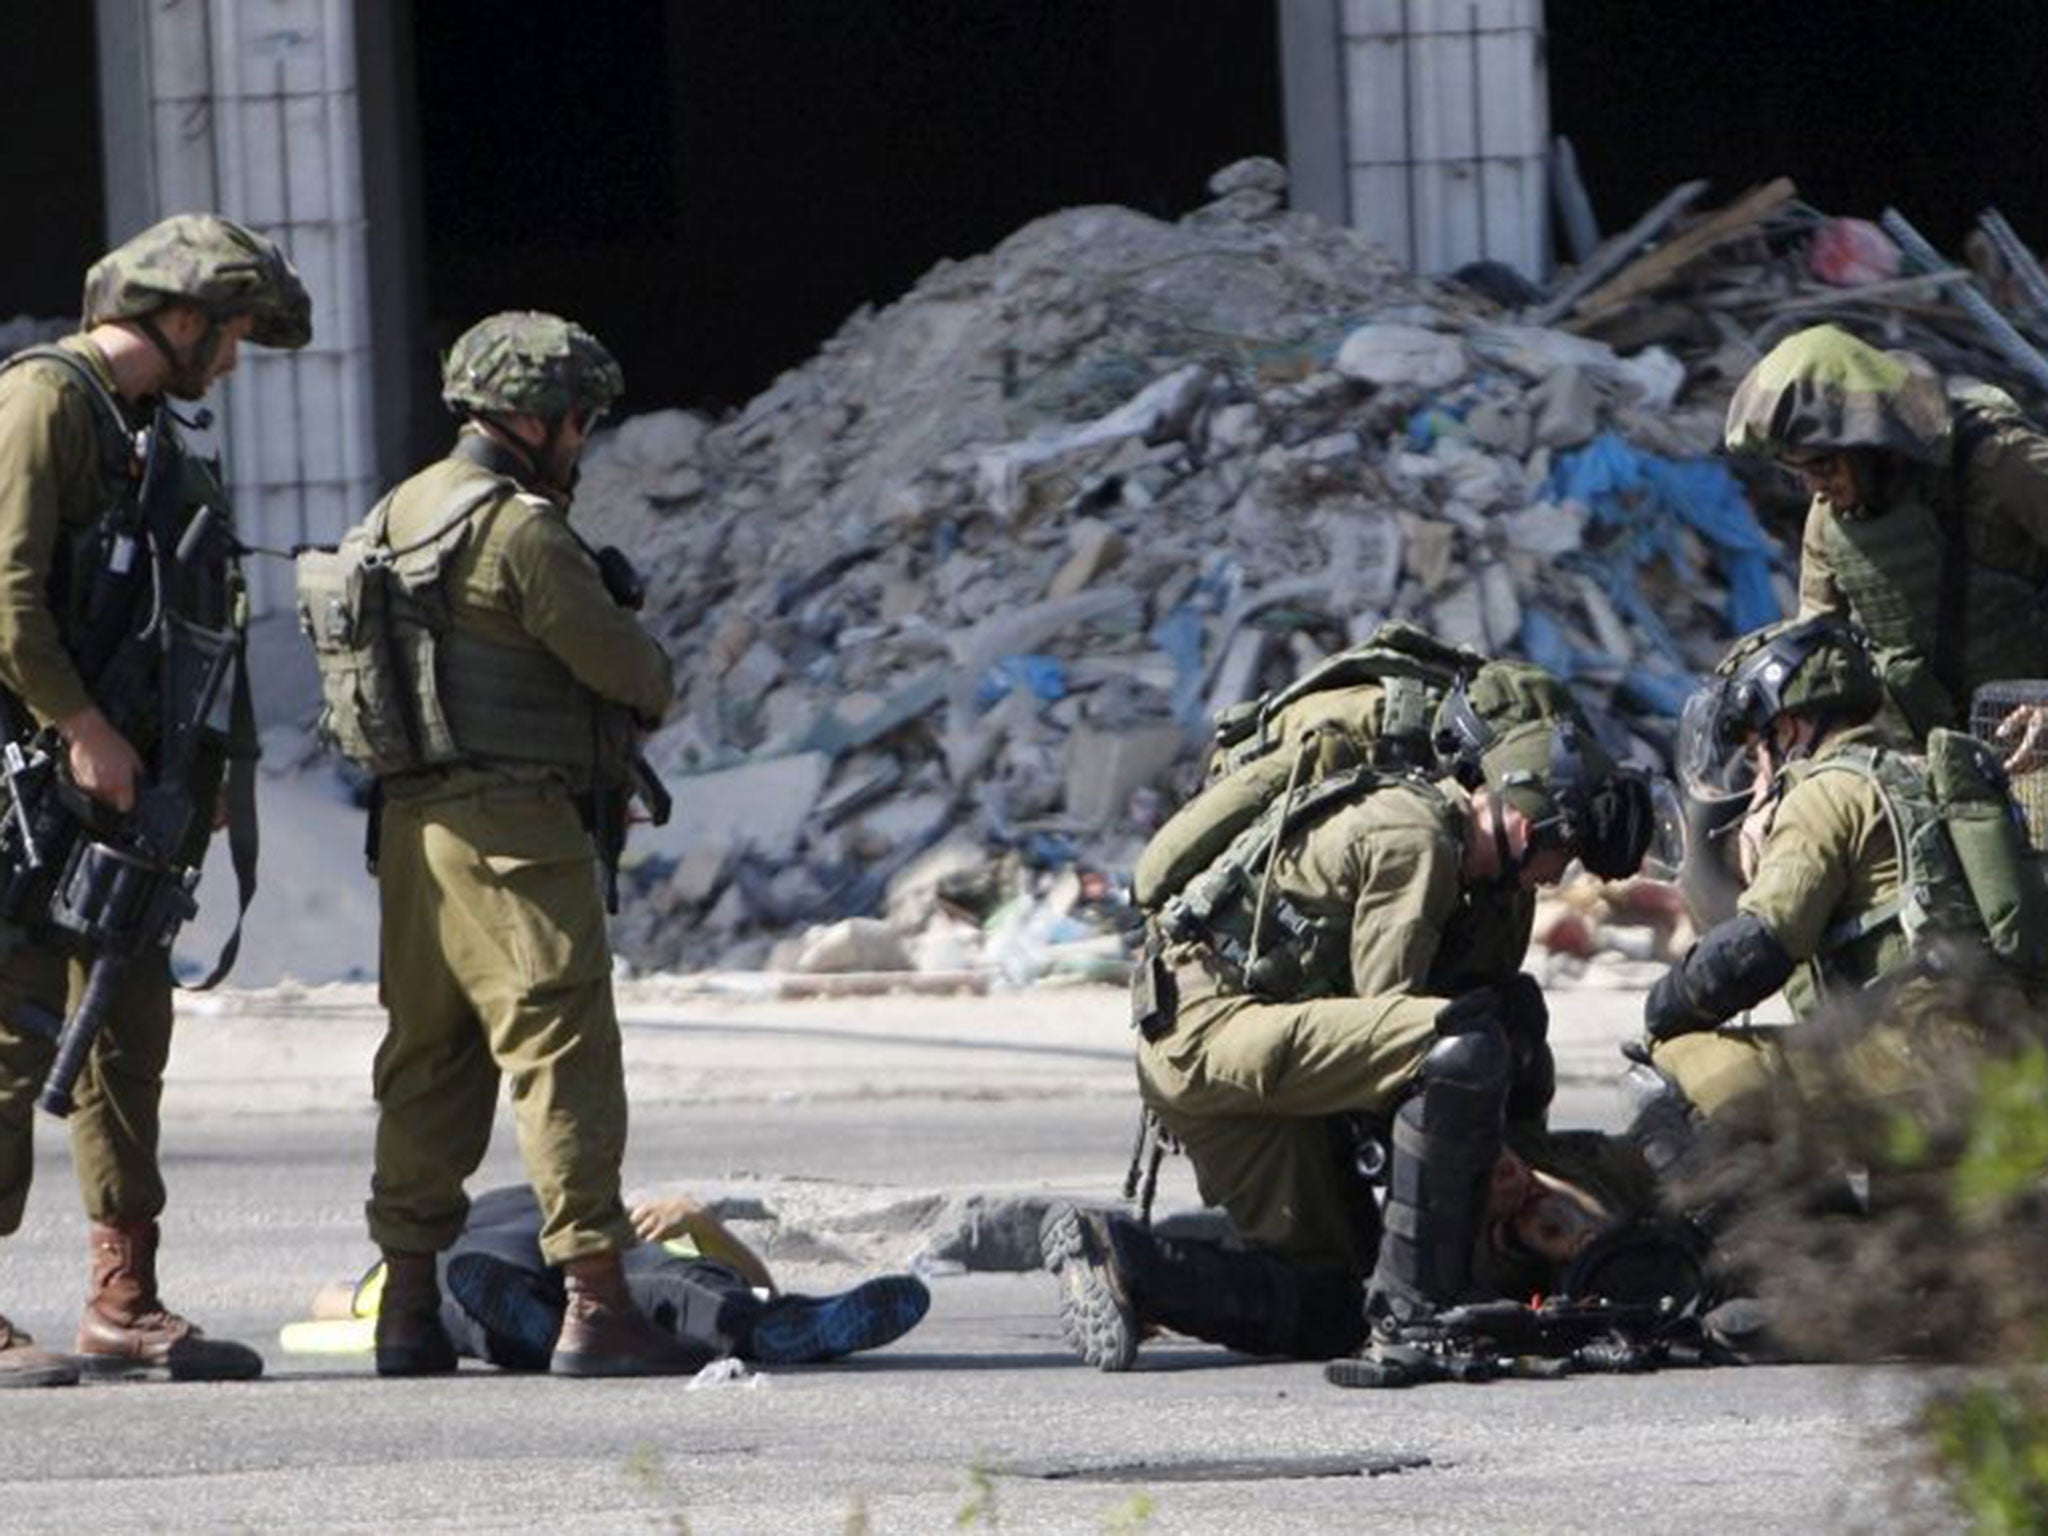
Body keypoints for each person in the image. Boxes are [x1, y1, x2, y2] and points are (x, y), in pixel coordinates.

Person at [1044, 698, 1656, 1370]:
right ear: (1520, 816)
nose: (1553, 876)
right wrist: (1491, 1175)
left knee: (1334, 1304)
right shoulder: (1414, 839)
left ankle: (1128, 1262)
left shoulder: (1441, 840)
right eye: (1559, 852)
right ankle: (1417, 1314)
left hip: (1240, 1038)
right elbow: (1399, 1040)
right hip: (1209, 1036)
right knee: (1457, 1046)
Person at [0, 213, 310, 1386]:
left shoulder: (151, 440)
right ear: (180, 318)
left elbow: (188, 626)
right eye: (228, 332)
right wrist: (80, 729)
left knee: (126, 1039)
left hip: (132, 800)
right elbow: (7, 599)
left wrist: (206, 781)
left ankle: (122, 1297)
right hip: (34, 786)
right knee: (14, 1034)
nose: (232, 357)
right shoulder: (47, 404)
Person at [351, 312, 688, 1378]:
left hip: (411, 834)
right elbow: (634, 675)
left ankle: (406, 1307)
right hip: (515, 835)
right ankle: (596, 1303)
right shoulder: (521, 532)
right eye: (579, 423)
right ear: (539, 419)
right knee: (561, 1055)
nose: (581, 443)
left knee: (427, 1067)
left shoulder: (395, 513)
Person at [1644, 616, 2048, 1131]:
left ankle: (1782, 1188)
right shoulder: (1922, 770)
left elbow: (1759, 947)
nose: (1759, 775)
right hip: (2007, 1044)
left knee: (1686, 1053)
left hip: (1916, 1058)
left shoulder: (1825, 791)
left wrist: (1668, 1003)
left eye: (1755, 753)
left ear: (1789, 729)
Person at [1724, 323, 2048, 765]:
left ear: (1872, 443)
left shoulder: (1995, 462)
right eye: (1795, 471)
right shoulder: (1829, 522)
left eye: (1823, 465)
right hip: (1936, 758)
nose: (1814, 487)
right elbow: (1822, 653)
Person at [304, 1185, 930, 1372]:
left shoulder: (415, 1257)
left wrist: (354, 1292)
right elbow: (755, 1274)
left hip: (492, 1254)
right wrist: (700, 1221)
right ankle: (773, 1324)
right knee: (675, 1283)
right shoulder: (574, 1189)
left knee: (461, 1296)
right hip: (598, 1241)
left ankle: (540, 1332)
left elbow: (327, 1301)